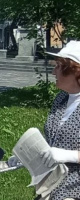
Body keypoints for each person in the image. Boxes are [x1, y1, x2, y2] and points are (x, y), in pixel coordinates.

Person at [9, 41, 80, 200]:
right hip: (50, 189)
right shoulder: (62, 97)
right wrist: (27, 157)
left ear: (75, 71)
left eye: (58, 67)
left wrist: (70, 156)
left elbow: (62, 153)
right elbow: (53, 140)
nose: (54, 72)